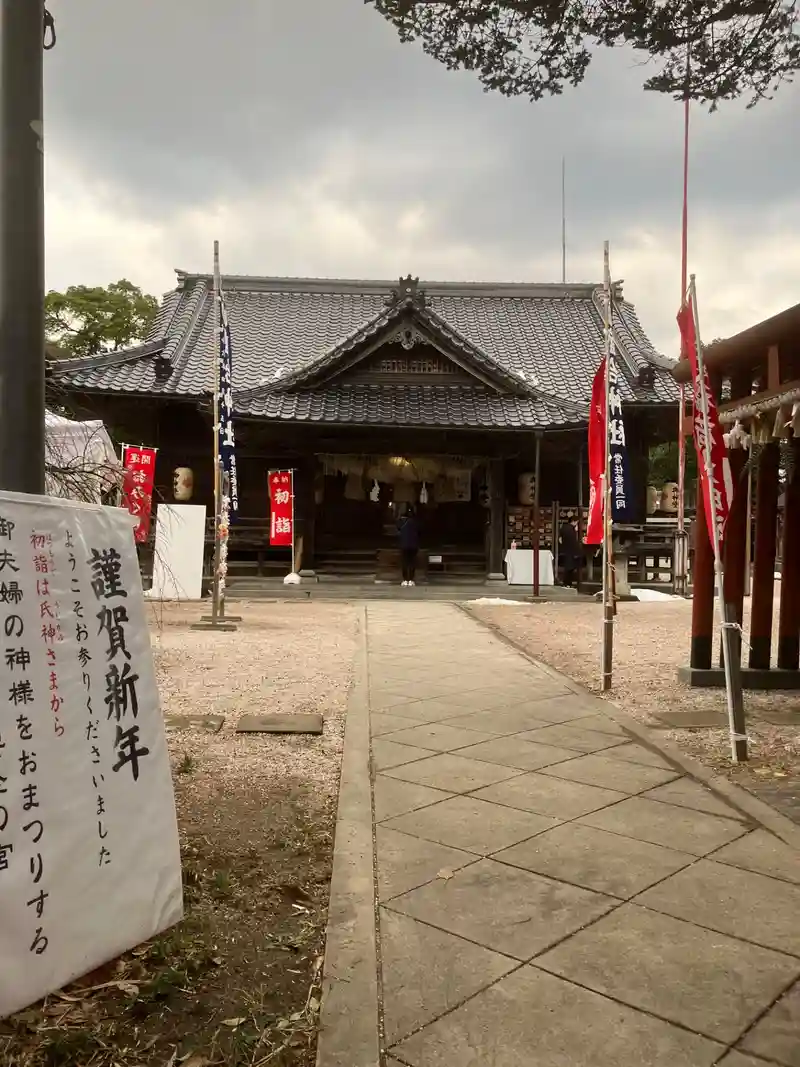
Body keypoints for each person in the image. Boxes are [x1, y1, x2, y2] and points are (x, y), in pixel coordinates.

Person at [397, 505, 420, 587]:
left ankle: (405, 579)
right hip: (413, 545)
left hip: (404, 545)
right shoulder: (415, 523)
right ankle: (411, 579)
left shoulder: (401, 522)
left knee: (405, 562)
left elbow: (398, 529)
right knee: (412, 562)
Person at [559, 519, 580, 587]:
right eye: (576, 522)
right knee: (570, 568)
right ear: (573, 521)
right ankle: (567, 583)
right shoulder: (572, 530)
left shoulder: (563, 528)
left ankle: (566, 583)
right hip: (572, 551)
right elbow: (574, 541)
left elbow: (560, 539)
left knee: (567, 567)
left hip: (565, 550)